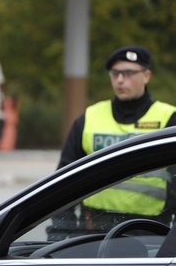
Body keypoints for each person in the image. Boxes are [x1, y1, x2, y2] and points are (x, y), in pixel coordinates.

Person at [51, 45, 176, 238]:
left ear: (146, 76)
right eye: (115, 73)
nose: (120, 80)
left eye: (128, 73)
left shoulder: (169, 118)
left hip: (150, 233)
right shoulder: (90, 117)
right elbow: (63, 183)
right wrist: (62, 234)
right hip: (92, 233)